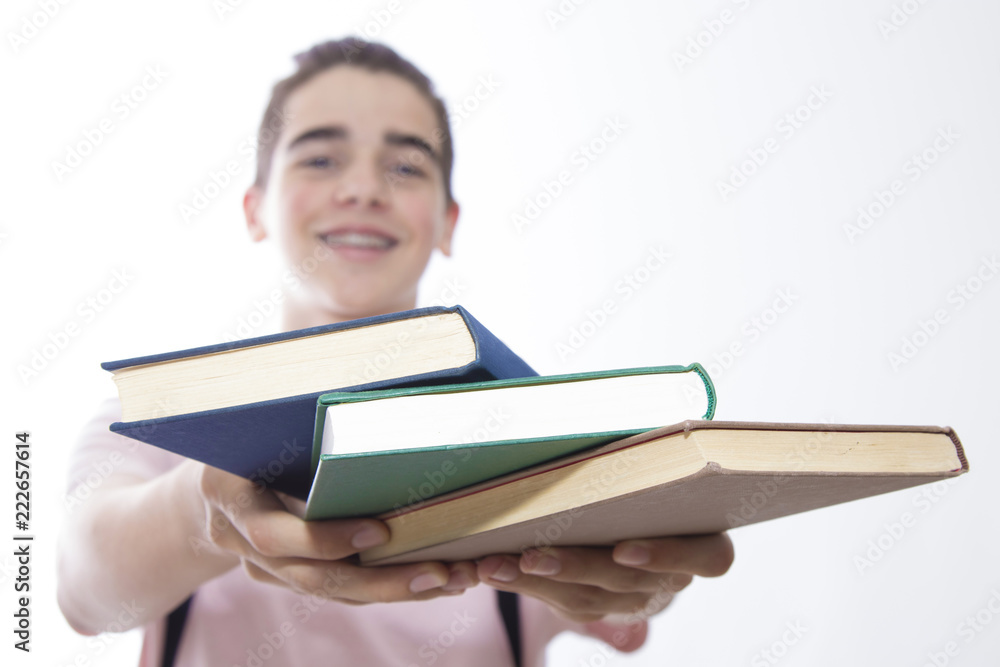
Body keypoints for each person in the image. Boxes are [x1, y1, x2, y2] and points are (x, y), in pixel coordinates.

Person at [56, 38, 734, 666]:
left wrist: (644, 576)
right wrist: (199, 514)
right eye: (320, 158)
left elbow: (628, 608)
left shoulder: (530, 443)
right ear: (256, 207)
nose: (364, 189)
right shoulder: (155, 427)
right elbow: (83, 588)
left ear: (446, 222)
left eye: (406, 165)